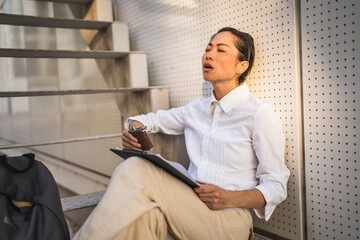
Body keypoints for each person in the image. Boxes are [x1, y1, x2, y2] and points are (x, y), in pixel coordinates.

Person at [74, 27, 290, 240]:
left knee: (136, 167)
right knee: (147, 217)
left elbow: (276, 186)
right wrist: (134, 129)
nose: (209, 54)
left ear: (241, 66)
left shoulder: (259, 113)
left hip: (230, 219)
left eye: (220, 50)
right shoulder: (196, 109)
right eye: (208, 48)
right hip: (190, 206)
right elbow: (151, 120)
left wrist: (229, 198)